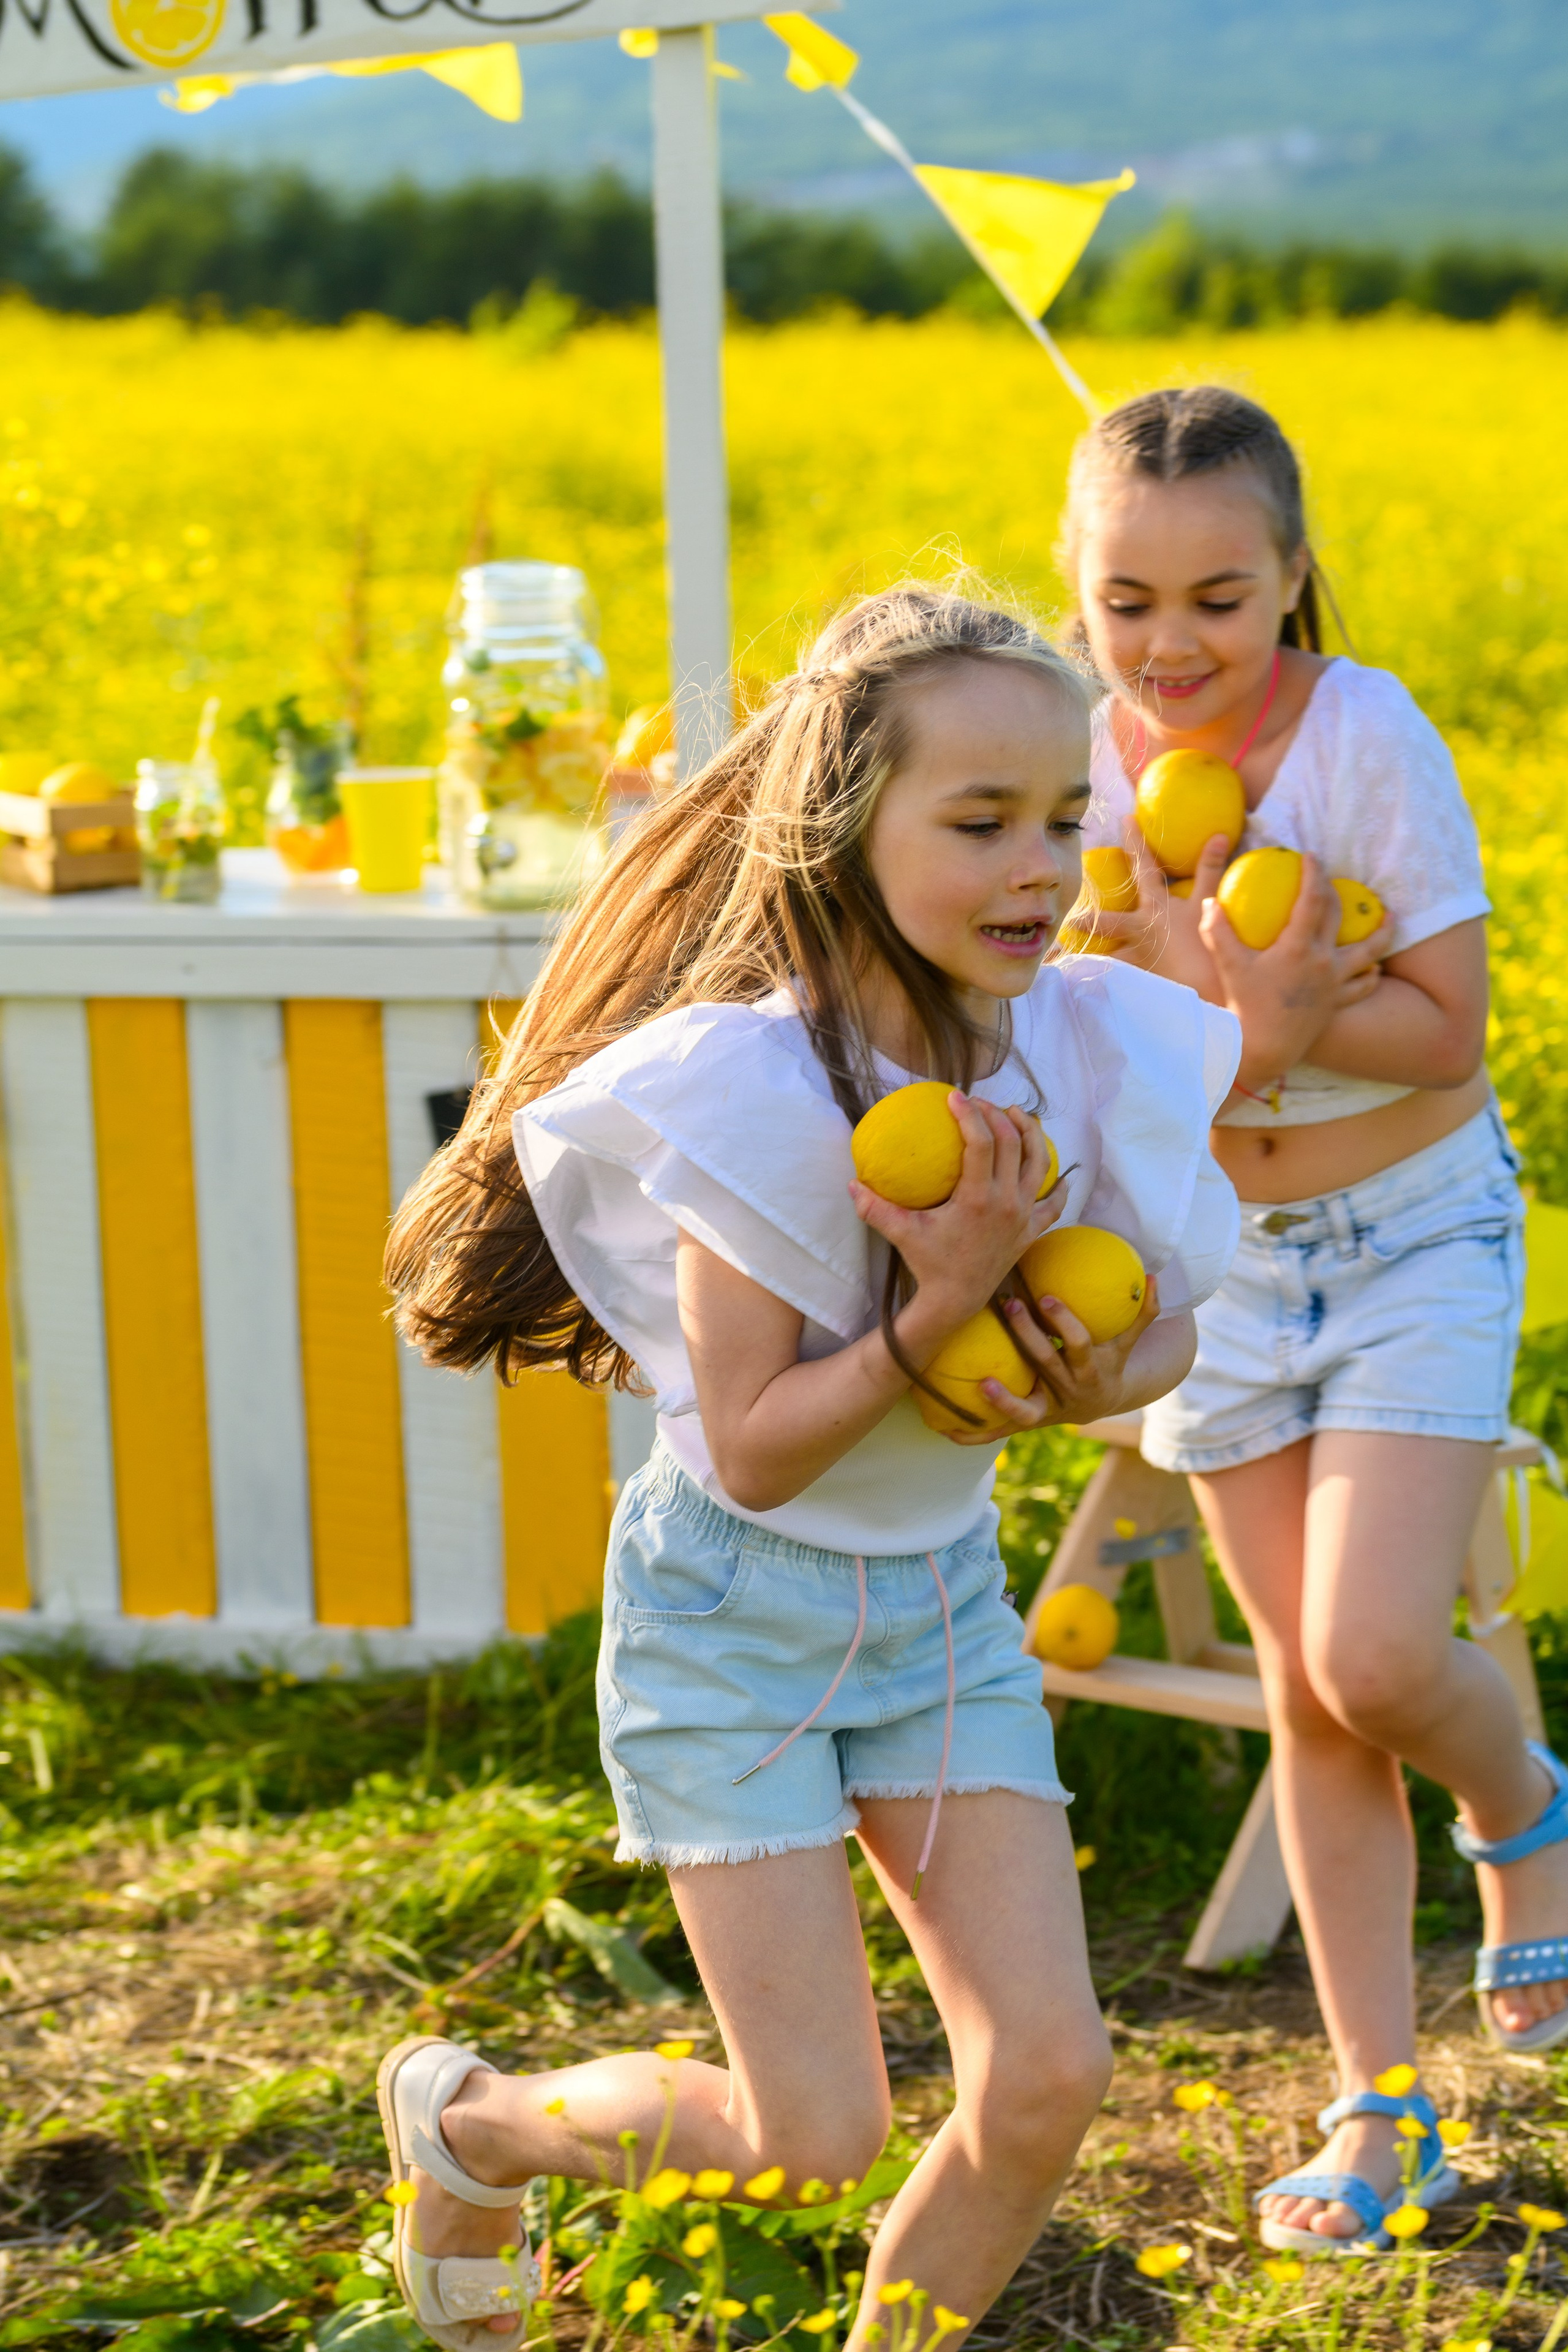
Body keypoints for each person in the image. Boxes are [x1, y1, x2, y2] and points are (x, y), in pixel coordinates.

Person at [377, 584, 1242, 2350]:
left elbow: (1168, 1326)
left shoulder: (1079, 1042)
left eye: (1065, 817)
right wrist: (940, 1315)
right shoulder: (764, 1095)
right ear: (847, 837)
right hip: (733, 1623)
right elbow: (760, 1451)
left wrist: (1091, 1370)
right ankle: (474, 2127)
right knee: (810, 2139)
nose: (1041, 868)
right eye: (982, 823)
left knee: (1048, 2075)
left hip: (938, 1604)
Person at [1063, 384, 1562, 2256]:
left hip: (1416, 1233)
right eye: (1127, 602)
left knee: (1371, 1658)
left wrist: (1240, 1000)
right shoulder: (1075, 764)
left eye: (1218, 597)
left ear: (1292, 577)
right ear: (1078, 592)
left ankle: (1527, 1808)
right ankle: (1383, 2109)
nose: (1171, 644)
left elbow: (1444, 1036)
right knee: (1307, 1698)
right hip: (1227, 1262)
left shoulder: (1363, 738)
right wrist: (1198, 998)